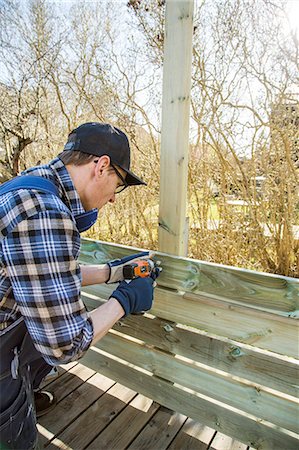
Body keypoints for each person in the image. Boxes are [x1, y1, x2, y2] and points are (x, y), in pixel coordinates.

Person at [0, 122, 158, 450]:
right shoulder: (46, 213)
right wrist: (125, 300)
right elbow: (65, 344)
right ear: (101, 166)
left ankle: (24, 398)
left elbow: (44, 274)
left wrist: (115, 272)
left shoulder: (34, 184)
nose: (114, 197)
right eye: (119, 184)